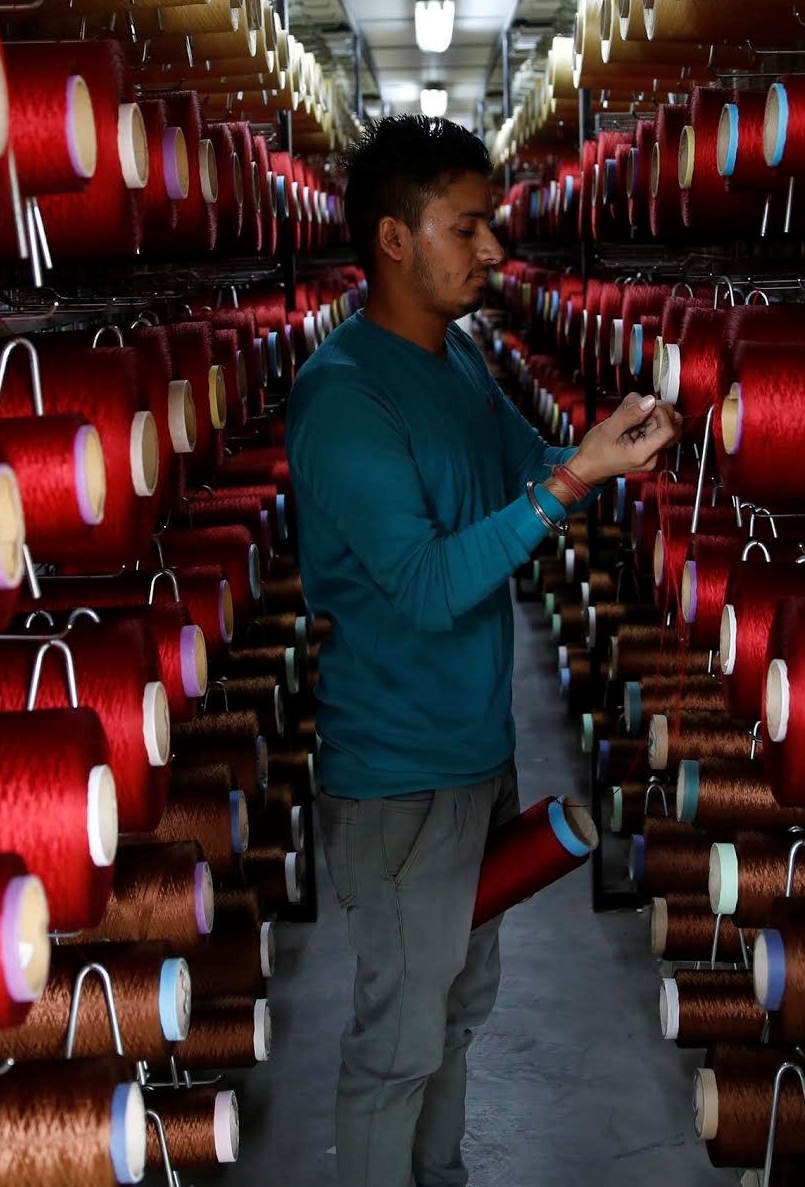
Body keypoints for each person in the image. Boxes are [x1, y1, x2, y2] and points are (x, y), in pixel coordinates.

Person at [286, 116, 683, 1187]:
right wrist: (562, 488)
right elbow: (420, 584)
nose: (496, 250)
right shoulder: (343, 396)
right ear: (395, 239)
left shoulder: (456, 358)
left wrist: (603, 455)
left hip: (474, 755)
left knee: (455, 1012)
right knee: (398, 1041)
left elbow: (527, 464)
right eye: (469, 227)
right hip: (399, 779)